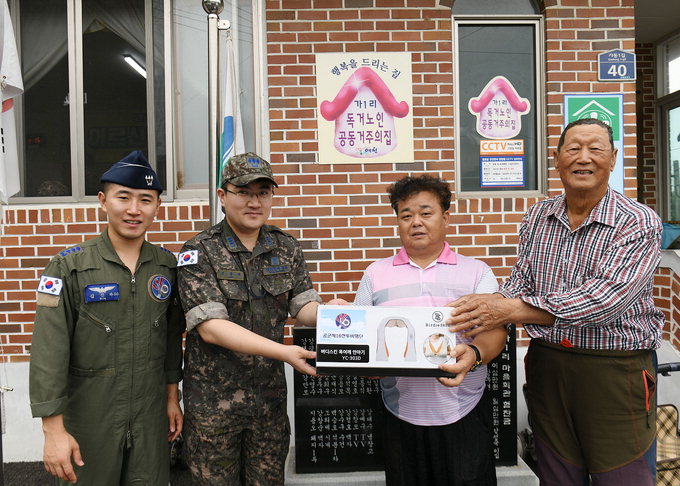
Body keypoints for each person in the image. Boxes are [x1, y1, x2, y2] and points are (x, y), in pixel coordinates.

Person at [448, 118, 664, 486]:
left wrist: (511, 309)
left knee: (623, 476)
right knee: (556, 473)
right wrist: (485, 307)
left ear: (613, 159)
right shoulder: (538, 216)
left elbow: (606, 300)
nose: (584, 157)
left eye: (595, 149)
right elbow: (521, 281)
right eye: (573, 148)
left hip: (614, 372)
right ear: (556, 159)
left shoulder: (639, 222)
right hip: (548, 365)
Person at [29, 150, 185, 485]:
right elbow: (48, 352)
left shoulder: (167, 268)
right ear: (103, 201)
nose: (134, 209)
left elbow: (171, 340)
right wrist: (52, 431)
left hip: (150, 418)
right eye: (123, 198)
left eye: (145, 200)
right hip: (90, 420)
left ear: (157, 206)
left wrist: (173, 399)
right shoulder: (68, 267)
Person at [348, 175, 507, 486]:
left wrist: (473, 354)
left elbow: (495, 333)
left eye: (425, 213)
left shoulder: (477, 272)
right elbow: (361, 335)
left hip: (464, 410)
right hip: (399, 412)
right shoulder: (375, 275)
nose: (415, 222)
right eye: (406, 215)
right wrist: (366, 364)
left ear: (445, 218)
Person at [177, 152, 323, 485]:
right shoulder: (199, 251)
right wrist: (285, 352)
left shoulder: (285, 247)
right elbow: (212, 328)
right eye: (243, 192)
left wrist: (336, 314)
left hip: (268, 405)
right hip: (214, 408)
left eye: (263, 192)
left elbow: (303, 308)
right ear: (222, 196)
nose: (254, 201)